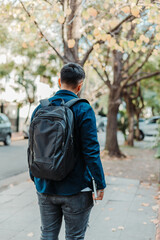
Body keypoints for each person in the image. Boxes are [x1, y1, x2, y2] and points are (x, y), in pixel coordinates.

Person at [30, 62, 106, 240]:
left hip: (45, 185)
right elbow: (91, 151)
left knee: (47, 235)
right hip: (76, 188)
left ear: (59, 81)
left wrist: (35, 177)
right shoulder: (83, 109)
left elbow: (32, 148)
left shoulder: (40, 108)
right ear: (80, 86)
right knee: (74, 237)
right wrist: (100, 183)